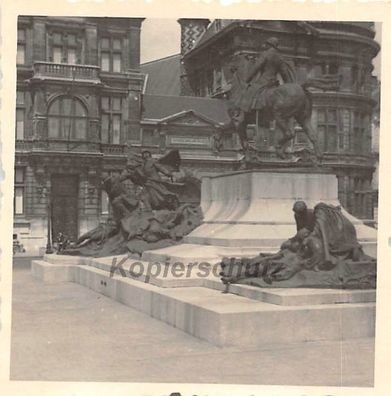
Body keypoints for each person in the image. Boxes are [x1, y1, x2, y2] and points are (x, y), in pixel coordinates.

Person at [233, 37, 294, 113]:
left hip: (264, 81)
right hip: (274, 83)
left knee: (249, 90)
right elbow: (284, 73)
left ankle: (245, 114)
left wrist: (247, 79)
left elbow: (256, 68)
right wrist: (289, 86)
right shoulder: (280, 57)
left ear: (269, 45)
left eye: (266, 44)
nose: (265, 46)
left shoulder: (265, 54)